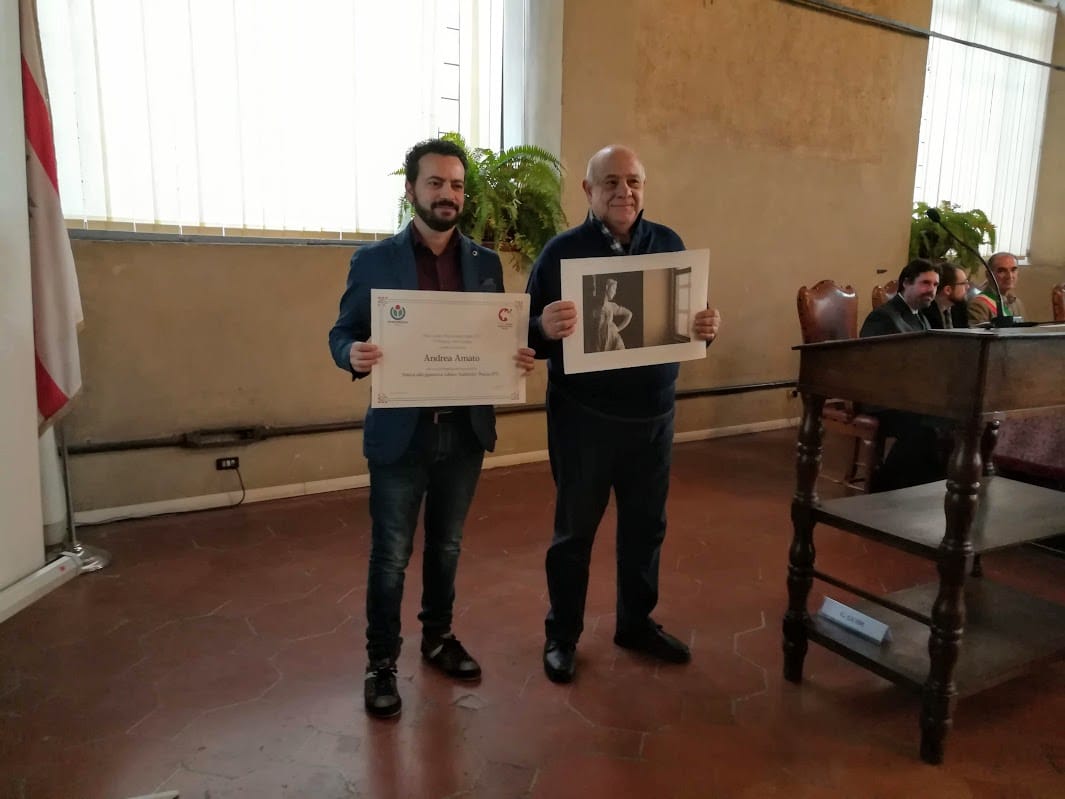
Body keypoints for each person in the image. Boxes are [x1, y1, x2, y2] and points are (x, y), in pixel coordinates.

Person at [328, 138, 535, 718]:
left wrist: (515, 357)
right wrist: (352, 355)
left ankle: (438, 638)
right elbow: (342, 333)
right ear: (411, 190)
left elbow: (497, 338)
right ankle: (381, 663)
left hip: (464, 432)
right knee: (391, 556)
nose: (448, 194)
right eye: (436, 183)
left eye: (457, 185)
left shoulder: (485, 264)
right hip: (402, 433)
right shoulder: (374, 261)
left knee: (447, 546)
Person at [525, 144, 722, 684]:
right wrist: (542, 328)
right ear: (587, 190)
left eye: (633, 181)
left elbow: (688, 325)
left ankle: (635, 624)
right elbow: (527, 336)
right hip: (583, 419)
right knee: (574, 534)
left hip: (653, 418)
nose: (623, 192)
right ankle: (562, 635)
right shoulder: (560, 253)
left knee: (645, 528)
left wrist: (706, 328)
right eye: (610, 182)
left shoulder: (669, 246)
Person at [859, 259, 948, 492]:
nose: (932, 290)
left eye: (935, 285)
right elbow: (873, 365)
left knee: (951, 421)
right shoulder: (883, 317)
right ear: (906, 283)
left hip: (911, 398)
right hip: (882, 400)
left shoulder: (921, 317)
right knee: (927, 426)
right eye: (925, 283)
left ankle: (927, 489)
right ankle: (886, 489)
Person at [968, 252, 1026, 325]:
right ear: (988, 275)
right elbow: (978, 331)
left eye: (1013, 270)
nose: (1009, 276)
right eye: (1002, 271)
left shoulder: (1016, 303)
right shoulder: (979, 304)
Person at [921, 264, 969, 330]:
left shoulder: (960, 307)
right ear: (947, 290)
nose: (968, 287)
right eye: (963, 283)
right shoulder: (925, 311)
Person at [593, 277, 632, 351]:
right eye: (613, 289)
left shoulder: (612, 306)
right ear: (606, 287)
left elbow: (629, 314)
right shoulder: (595, 305)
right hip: (598, 339)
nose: (615, 292)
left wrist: (617, 329)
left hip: (612, 337)